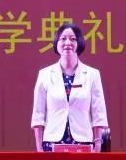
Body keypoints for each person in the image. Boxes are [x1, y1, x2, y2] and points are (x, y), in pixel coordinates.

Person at [31, 23, 108, 152]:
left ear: (79, 43)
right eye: (63, 39)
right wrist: (39, 148)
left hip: (83, 142)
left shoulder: (92, 74)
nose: (68, 43)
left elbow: (98, 113)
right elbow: (38, 115)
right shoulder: (45, 74)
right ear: (56, 43)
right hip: (52, 143)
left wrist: (98, 144)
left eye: (73, 39)